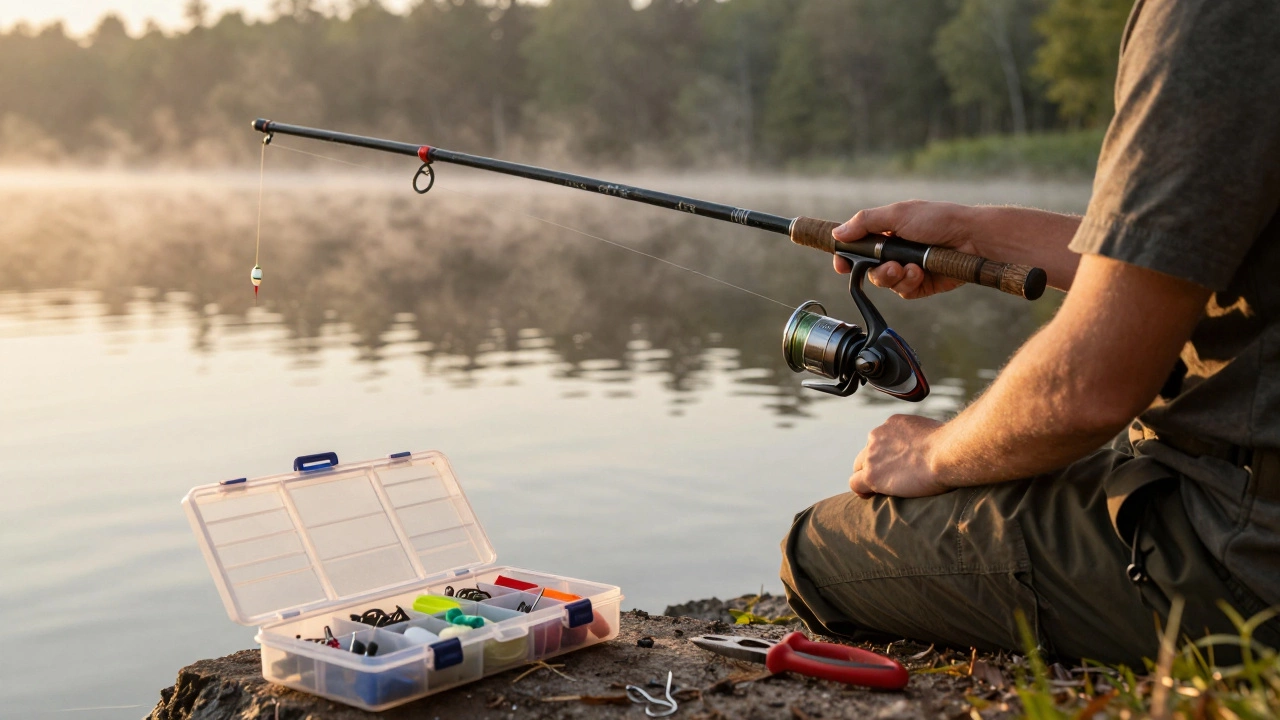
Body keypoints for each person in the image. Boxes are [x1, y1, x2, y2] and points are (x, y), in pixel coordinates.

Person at [780, 0, 1280, 667]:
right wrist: (974, 233)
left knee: (817, 546)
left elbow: (1090, 389)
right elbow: (1183, 255)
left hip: (1242, 556)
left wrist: (930, 454)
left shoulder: (1213, 19)